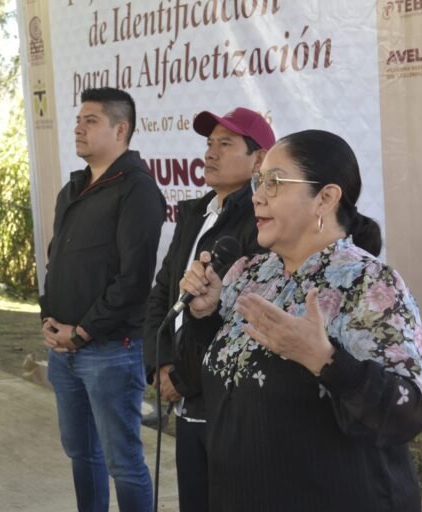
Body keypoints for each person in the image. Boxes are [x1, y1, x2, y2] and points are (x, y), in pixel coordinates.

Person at [180, 129, 422, 512]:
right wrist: (204, 316)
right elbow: (219, 381)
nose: (257, 196)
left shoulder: (369, 284)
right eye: (258, 181)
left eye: (275, 182)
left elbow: (406, 413)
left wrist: (325, 360)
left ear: (326, 198)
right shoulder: (248, 275)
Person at [40, 87, 165, 512]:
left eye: (90, 121)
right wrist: (50, 319)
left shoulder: (138, 190)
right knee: (81, 453)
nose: (78, 127)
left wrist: (83, 331)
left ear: (121, 128)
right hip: (65, 350)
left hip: (109, 351)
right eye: (79, 119)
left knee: (123, 462)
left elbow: (133, 281)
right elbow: (57, 262)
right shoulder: (73, 188)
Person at [143, 107, 273, 512]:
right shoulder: (195, 213)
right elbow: (162, 295)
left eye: (226, 144)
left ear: (259, 159)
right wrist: (161, 365)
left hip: (228, 403)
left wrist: (183, 377)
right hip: (183, 399)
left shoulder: (261, 225)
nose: (211, 153)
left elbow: (248, 320)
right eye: (209, 143)